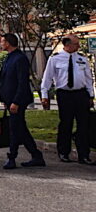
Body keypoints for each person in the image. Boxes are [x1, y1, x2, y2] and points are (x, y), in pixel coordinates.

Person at [40, 34, 95, 165]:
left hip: (80, 94)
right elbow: (47, 78)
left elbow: (88, 78)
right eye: (76, 44)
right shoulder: (55, 59)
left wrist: (90, 95)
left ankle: (84, 154)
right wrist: (44, 95)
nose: (78, 46)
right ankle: (64, 152)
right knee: (66, 123)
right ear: (67, 45)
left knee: (83, 124)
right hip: (65, 94)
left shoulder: (82, 59)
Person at [0, 33, 45, 170]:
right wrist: (4, 99)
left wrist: (16, 101)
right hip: (10, 100)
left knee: (15, 129)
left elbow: (22, 82)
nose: (1, 44)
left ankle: (12, 157)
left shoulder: (20, 59)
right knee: (20, 128)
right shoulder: (9, 58)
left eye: (3, 41)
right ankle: (36, 155)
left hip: (18, 101)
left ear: (8, 43)